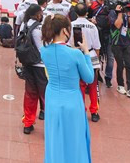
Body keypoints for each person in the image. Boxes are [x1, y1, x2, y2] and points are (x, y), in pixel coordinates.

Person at [40, 13, 95, 163]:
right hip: (72, 100)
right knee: (74, 140)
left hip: (52, 98)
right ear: (65, 30)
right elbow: (89, 78)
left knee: (54, 138)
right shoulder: (75, 54)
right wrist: (86, 53)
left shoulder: (44, 51)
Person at [71, 4, 102, 122]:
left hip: (76, 56)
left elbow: (68, 44)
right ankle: (94, 111)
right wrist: (96, 61)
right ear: (87, 13)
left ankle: (81, 111)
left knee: (80, 86)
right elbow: (97, 46)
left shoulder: (70, 25)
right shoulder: (92, 26)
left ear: (75, 12)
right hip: (91, 54)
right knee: (93, 85)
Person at [21, 3, 47, 134]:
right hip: (41, 65)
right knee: (46, 95)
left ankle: (28, 122)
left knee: (30, 94)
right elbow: (44, 47)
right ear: (38, 14)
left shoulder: (24, 25)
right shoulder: (41, 27)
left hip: (28, 63)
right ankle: (50, 125)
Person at [108, 0, 130, 99]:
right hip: (116, 43)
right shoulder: (112, 13)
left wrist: (127, 14)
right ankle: (120, 85)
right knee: (120, 64)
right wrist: (120, 13)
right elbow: (117, 25)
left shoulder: (126, 14)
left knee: (129, 65)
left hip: (127, 42)